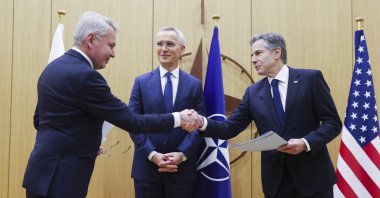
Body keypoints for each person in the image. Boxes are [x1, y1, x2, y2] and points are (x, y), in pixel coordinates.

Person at [22, 11, 199, 198]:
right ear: (91, 40)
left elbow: (40, 121)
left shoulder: (52, 68)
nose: (113, 54)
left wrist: (84, 142)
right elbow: (133, 122)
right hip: (63, 178)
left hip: (39, 174)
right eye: (111, 45)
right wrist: (179, 118)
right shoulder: (87, 76)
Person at [196, 32, 342, 198]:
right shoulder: (252, 93)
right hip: (277, 182)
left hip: (313, 178)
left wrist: (305, 142)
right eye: (252, 55)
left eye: (258, 53)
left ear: (276, 53)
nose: (253, 59)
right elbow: (230, 128)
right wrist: (201, 122)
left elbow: (333, 123)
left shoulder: (310, 79)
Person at [128, 26, 205, 198]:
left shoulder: (194, 85)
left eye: (169, 44)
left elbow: (200, 125)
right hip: (147, 169)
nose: (163, 49)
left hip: (182, 170)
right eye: (159, 44)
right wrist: (153, 154)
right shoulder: (140, 82)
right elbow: (133, 124)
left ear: (182, 49)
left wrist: (182, 154)